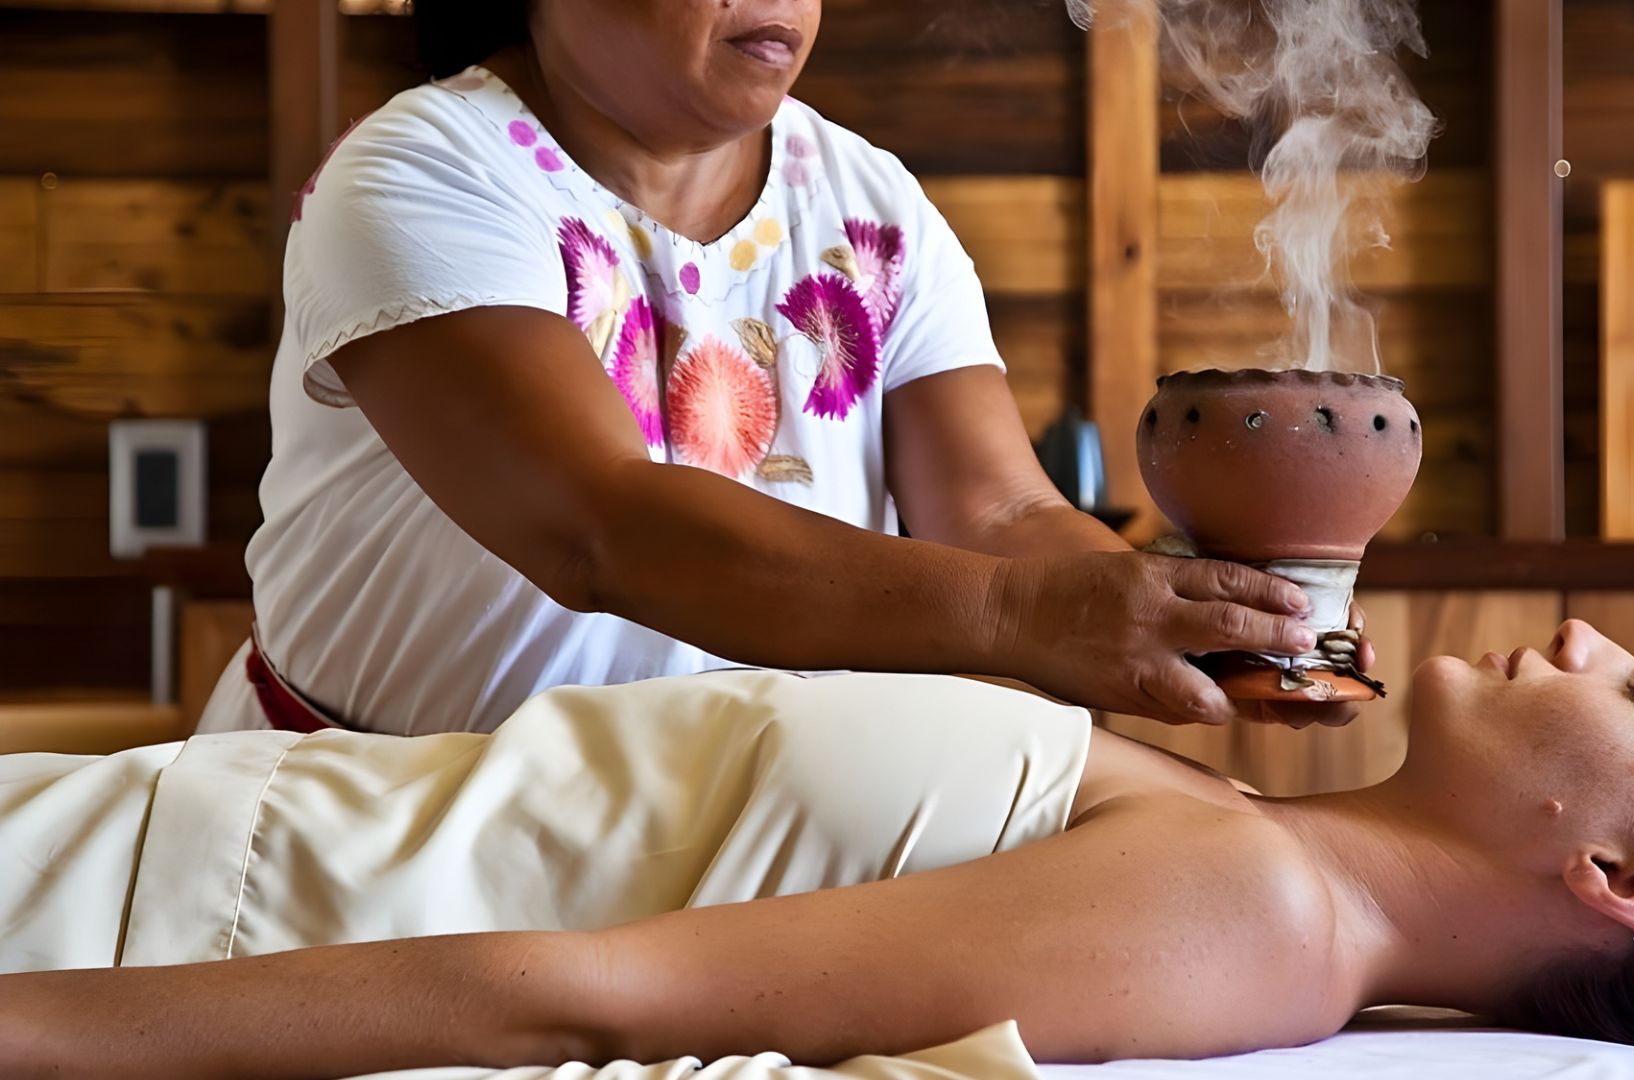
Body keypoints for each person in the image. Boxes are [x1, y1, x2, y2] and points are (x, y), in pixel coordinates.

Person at [4, 621, 1634, 1079]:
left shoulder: (1247, 913)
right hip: (169, 843)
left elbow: (574, 993)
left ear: (1622, 885)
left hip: (132, 931)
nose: (1579, 643)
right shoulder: (1248, 839)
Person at [196, 0, 1369, 737]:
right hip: (365, 816)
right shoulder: (421, 171)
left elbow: (1001, 511)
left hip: (720, 826)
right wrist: (1038, 612)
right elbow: (598, 529)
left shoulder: (873, 206)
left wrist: (1185, 623)